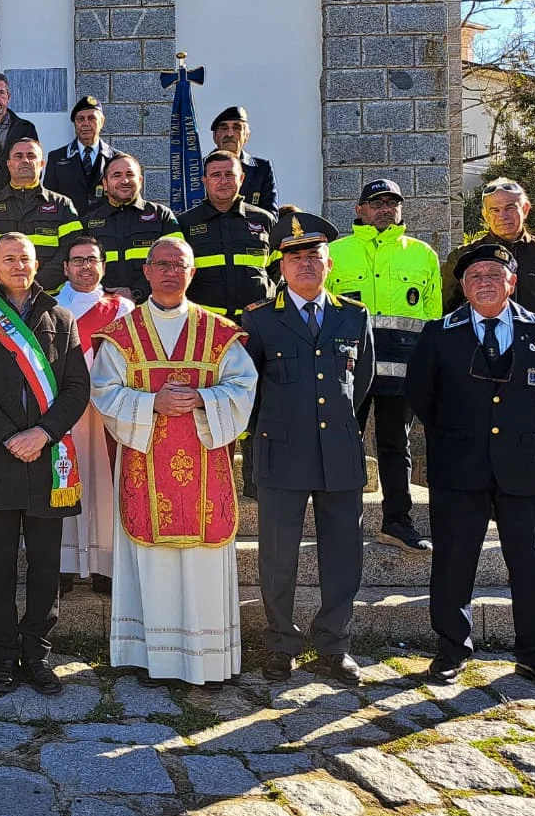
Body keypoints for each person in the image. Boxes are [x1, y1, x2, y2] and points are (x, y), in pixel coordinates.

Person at [406, 241, 535, 701]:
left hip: (523, 465)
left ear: (512, 283)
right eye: (475, 276)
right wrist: (459, 436)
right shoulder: (440, 333)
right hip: (460, 466)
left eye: (494, 275)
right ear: (463, 287)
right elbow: (422, 396)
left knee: (530, 565)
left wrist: (523, 433)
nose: (485, 282)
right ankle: (451, 649)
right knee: (453, 562)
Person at [90, 237, 258, 687]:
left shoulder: (220, 333)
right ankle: (151, 659)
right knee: (153, 561)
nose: (169, 272)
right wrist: (151, 404)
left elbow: (244, 387)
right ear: (146, 271)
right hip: (146, 466)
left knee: (203, 562)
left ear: (192, 272)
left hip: (205, 469)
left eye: (178, 265)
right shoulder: (122, 335)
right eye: (161, 264)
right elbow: (103, 392)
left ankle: (208, 660)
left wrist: (203, 398)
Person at [241, 213, 375, 685]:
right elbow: (248, 389)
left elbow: (361, 381)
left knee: (343, 555)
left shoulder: (354, 315)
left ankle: (334, 644)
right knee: (278, 556)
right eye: (294, 256)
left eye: (314, 255)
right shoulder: (259, 318)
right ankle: (281, 643)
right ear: (280, 266)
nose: (305, 263)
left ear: (329, 262)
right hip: (281, 451)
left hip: (338, 451)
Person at [0, 233, 91, 696]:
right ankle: (3, 655)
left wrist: (42, 434)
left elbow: (77, 387)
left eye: (25, 259)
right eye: (8, 259)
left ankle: (36, 652)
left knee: (45, 565)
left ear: (37, 265)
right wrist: (9, 436)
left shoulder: (61, 317)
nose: (18, 266)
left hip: (47, 458)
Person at [443, 178, 535, 551]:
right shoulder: (465, 257)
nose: (503, 215)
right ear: (484, 215)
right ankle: (478, 517)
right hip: (479, 367)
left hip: (533, 368)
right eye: (494, 210)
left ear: (525, 209)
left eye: (510, 207)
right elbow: (449, 313)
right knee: (476, 442)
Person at [326, 178, 440, 552]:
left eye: (392, 203)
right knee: (344, 445)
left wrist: (430, 372)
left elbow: (432, 321)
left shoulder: (422, 255)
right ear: (359, 209)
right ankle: (341, 520)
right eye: (376, 203)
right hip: (347, 373)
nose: (385, 209)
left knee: (396, 447)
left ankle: (397, 522)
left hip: (401, 375)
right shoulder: (335, 253)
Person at [54, 236, 133, 591]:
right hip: (64, 412)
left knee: (105, 487)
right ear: (65, 267)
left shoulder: (122, 309)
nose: (85, 267)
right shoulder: (50, 307)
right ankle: (62, 565)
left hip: (107, 412)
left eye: (92, 260)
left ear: (103, 265)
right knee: (63, 481)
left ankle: (106, 567)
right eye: (78, 260)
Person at [0, 137, 83, 296]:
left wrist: (34, 286)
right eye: (18, 156)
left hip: (48, 297)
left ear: (42, 163)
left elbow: (70, 252)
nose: (25, 160)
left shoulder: (62, 205)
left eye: (31, 156)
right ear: (9, 164)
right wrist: (6, 285)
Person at [177, 150, 277, 320]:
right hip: (205, 320)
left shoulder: (264, 220)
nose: (223, 181)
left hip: (258, 320)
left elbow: (278, 267)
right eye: (216, 175)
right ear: (205, 181)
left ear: (241, 178)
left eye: (229, 175)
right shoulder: (185, 223)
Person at [80, 154, 181, 304]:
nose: (125, 181)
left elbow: (176, 261)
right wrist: (103, 294)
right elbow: (81, 265)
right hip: (102, 305)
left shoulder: (162, 216)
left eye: (130, 174)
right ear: (105, 184)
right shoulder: (88, 222)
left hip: (152, 305)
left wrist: (136, 292)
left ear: (140, 180)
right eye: (117, 175)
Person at [45, 96, 117, 211]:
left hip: (105, 222)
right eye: (80, 119)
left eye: (92, 118)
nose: (85, 124)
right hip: (69, 221)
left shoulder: (116, 158)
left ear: (102, 121)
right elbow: (50, 199)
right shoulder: (57, 158)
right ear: (75, 124)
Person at [210, 106, 277, 212]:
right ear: (214, 136)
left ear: (246, 136)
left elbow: (271, 215)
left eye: (237, 128)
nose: (230, 134)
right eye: (224, 128)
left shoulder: (262, 170)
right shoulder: (198, 168)